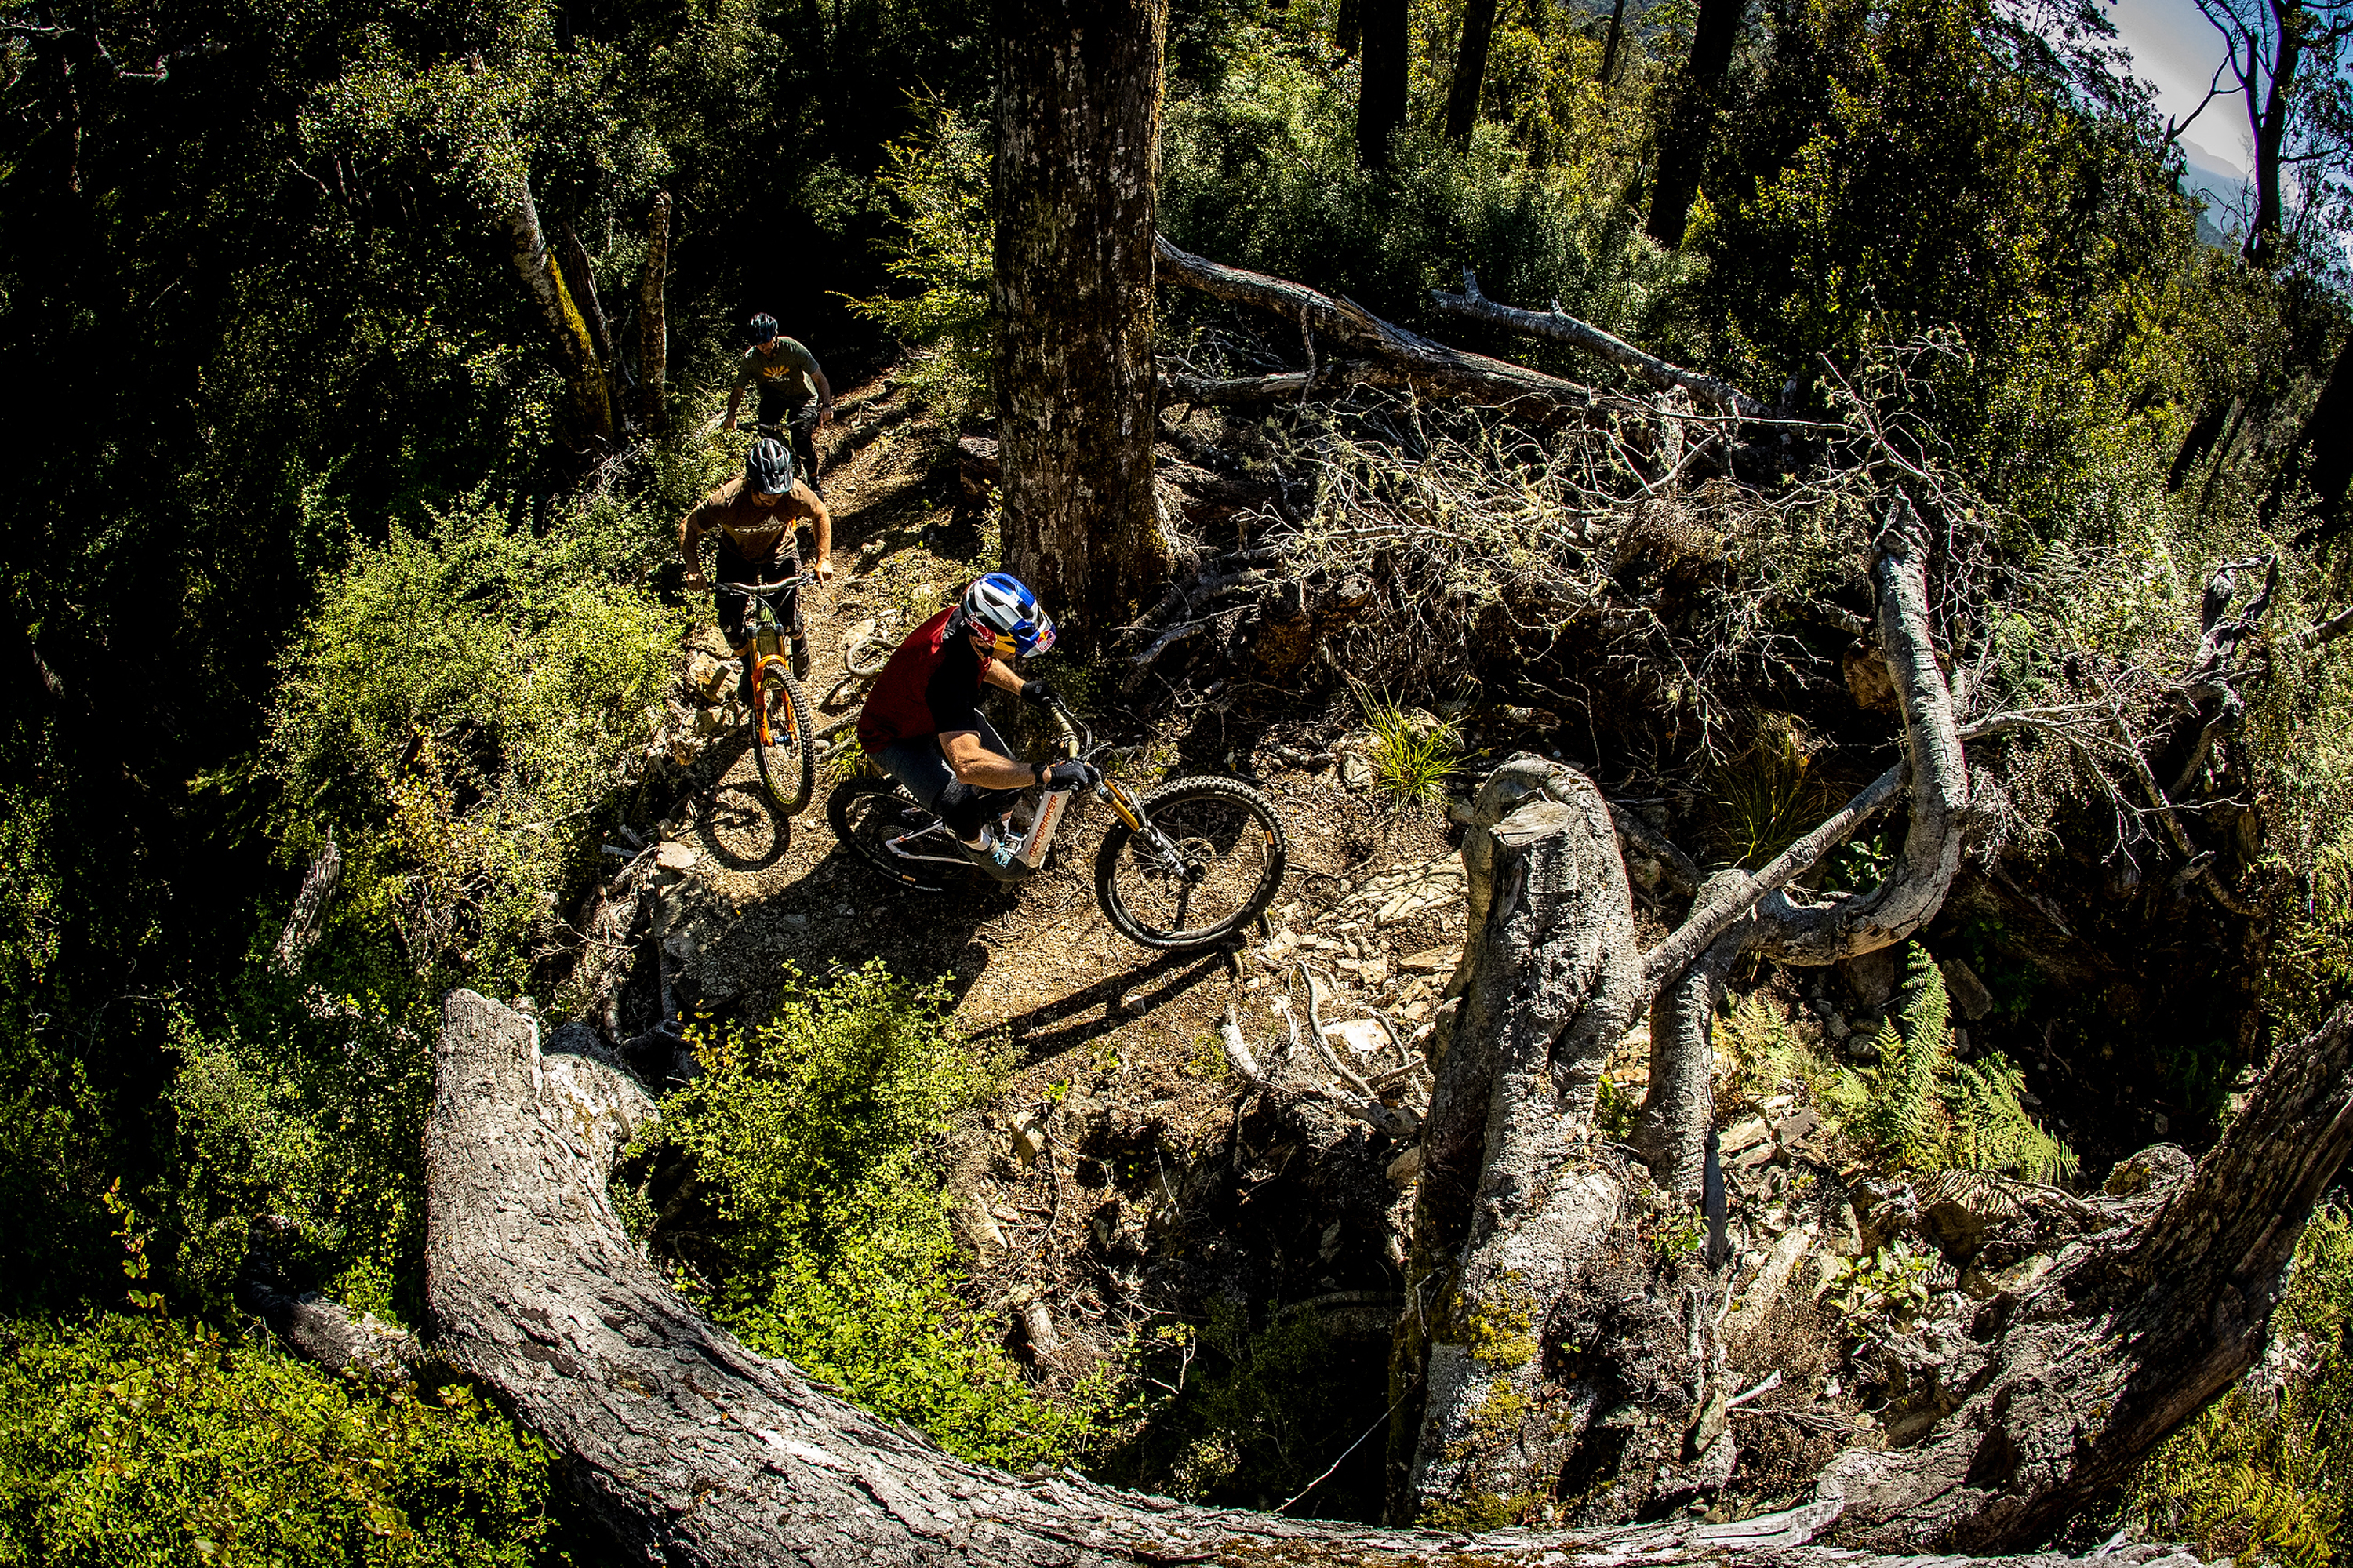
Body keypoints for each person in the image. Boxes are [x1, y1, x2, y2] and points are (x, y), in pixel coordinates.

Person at [855, 573, 1096, 881]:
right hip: (893, 738)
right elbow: (967, 765)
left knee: (1011, 776)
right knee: (963, 807)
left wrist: (1023, 688)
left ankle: (998, 824)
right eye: (1015, 647)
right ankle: (976, 845)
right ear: (985, 637)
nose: (1018, 655)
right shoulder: (949, 676)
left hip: (933, 713)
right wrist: (1046, 773)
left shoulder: (966, 623)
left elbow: (985, 660)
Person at [680, 438, 834, 682]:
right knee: (731, 627)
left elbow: (820, 512)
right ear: (752, 483)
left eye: (778, 492)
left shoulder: (794, 493)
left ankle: (799, 641)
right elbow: (689, 525)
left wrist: (823, 559)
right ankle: (748, 667)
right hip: (736, 557)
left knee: (788, 619)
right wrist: (693, 568)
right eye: (766, 493)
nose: (773, 499)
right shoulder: (727, 501)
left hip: (779, 551)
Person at [723, 314, 833, 490]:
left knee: (802, 440)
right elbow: (738, 390)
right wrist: (731, 415)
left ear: (775, 335)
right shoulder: (751, 359)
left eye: (766, 341)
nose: (762, 347)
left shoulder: (793, 349)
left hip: (803, 397)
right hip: (774, 398)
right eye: (757, 343)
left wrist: (826, 406)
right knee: (767, 433)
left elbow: (819, 378)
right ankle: (786, 458)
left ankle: (814, 480)